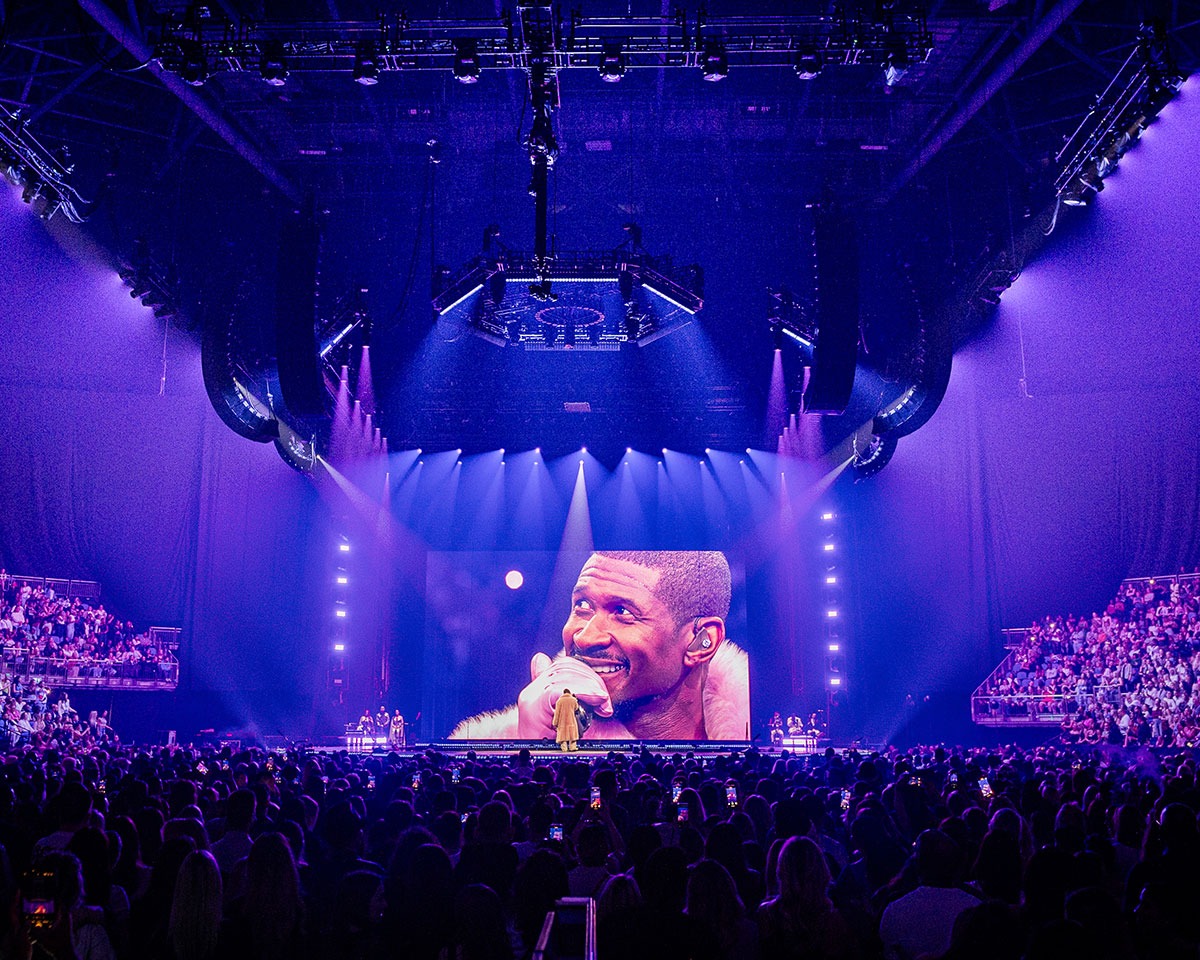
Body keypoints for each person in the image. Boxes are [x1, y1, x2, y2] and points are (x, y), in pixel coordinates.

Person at [450, 551, 748, 740]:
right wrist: (534, 759)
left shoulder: (760, 752)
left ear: (701, 642)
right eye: (582, 605)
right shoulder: (488, 747)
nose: (583, 637)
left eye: (622, 611)